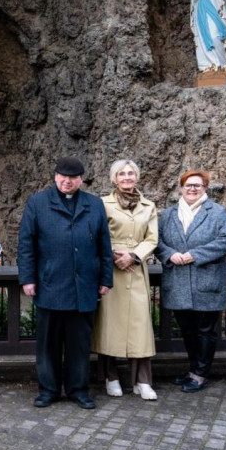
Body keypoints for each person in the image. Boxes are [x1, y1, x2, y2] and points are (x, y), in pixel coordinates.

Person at [18, 157, 113, 410]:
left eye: (73, 177)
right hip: (50, 284)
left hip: (84, 287)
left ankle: (78, 390)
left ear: (81, 179)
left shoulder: (94, 204)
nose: (67, 181)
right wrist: (27, 278)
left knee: (79, 345)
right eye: (62, 176)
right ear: (55, 176)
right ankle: (48, 390)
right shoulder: (37, 203)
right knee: (48, 344)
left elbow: (104, 245)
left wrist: (105, 278)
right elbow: (26, 245)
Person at [154, 170, 226, 393]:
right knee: (187, 330)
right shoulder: (169, 214)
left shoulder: (217, 213)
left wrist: (196, 254)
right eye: (188, 185)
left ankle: (201, 374)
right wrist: (169, 254)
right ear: (181, 188)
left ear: (205, 188)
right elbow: (156, 240)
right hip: (178, 280)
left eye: (198, 186)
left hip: (206, 280)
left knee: (205, 330)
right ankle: (192, 370)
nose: (192, 189)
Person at [93, 160, 159, 400]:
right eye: (122, 173)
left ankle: (142, 381)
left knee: (140, 325)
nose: (127, 177)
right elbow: (97, 234)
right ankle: (111, 377)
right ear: (114, 178)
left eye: (131, 173)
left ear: (137, 177)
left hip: (136, 268)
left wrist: (133, 256)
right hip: (110, 269)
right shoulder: (102, 203)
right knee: (111, 324)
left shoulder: (148, 206)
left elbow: (152, 239)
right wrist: (113, 256)